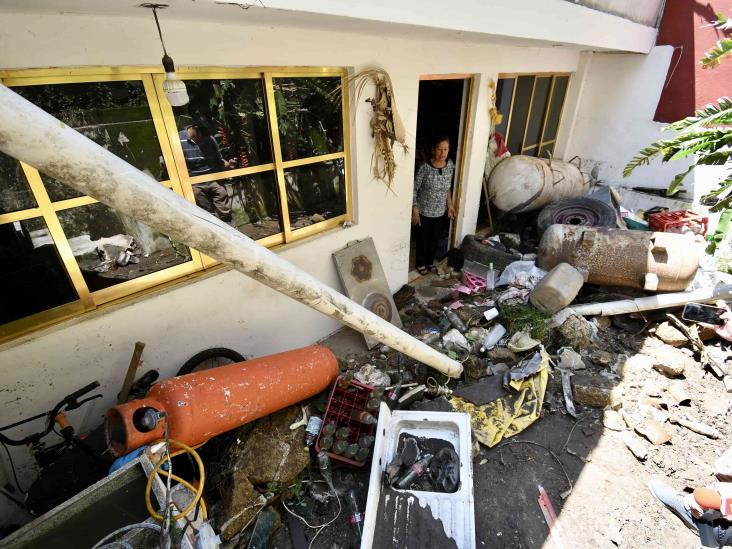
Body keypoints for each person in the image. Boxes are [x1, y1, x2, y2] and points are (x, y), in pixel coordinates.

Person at [412, 136, 456, 275]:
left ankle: (429, 262)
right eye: (439, 149)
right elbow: (414, 189)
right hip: (424, 211)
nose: (442, 153)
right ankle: (420, 263)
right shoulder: (425, 168)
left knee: (434, 240)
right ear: (433, 150)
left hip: (439, 212)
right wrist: (415, 209)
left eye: (445, 149)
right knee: (422, 240)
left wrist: (450, 205)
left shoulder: (450, 166)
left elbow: (447, 188)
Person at [179, 123, 237, 222]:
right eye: (202, 137)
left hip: (212, 178)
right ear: (194, 130)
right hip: (194, 182)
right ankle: (213, 226)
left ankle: (229, 225)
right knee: (205, 210)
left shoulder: (210, 139)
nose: (204, 140)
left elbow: (219, 160)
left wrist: (229, 165)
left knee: (221, 194)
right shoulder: (178, 139)